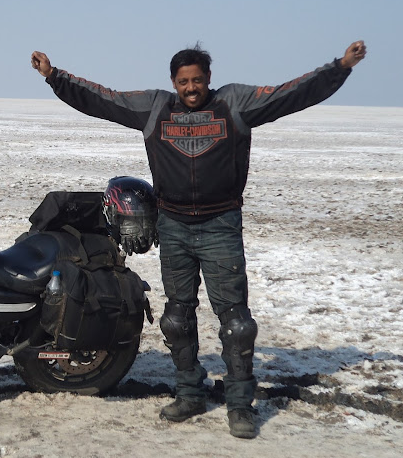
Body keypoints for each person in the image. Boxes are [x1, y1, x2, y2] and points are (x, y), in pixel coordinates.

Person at [30, 41, 366, 438]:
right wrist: (54, 76)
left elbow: (292, 94)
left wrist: (340, 67)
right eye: (183, 81)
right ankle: (189, 392)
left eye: (198, 80)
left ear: (209, 78)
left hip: (220, 225)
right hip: (173, 225)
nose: (191, 88)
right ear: (173, 82)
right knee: (176, 319)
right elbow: (102, 100)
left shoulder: (234, 104)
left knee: (236, 323)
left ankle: (240, 405)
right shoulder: (155, 108)